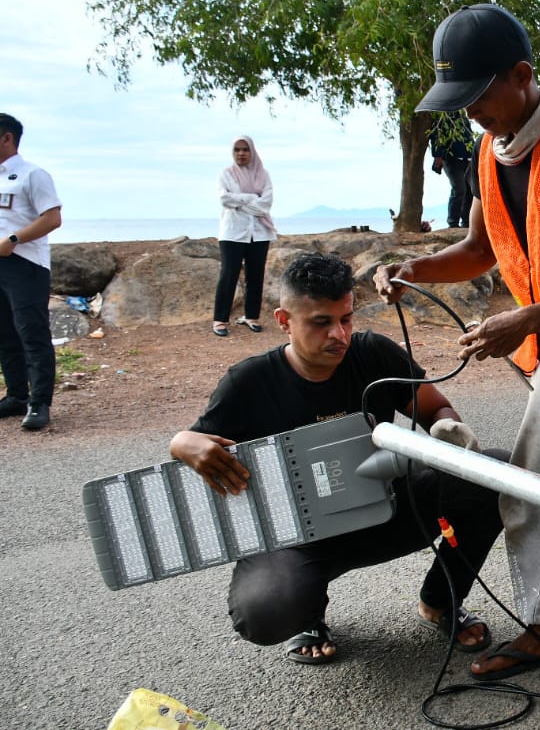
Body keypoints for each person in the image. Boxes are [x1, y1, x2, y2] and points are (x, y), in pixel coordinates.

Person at [374, 4, 540, 681]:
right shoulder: (492, 150)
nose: (472, 116)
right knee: (532, 491)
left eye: (479, 98)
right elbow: (480, 248)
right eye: (458, 103)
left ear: (521, 76)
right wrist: (413, 268)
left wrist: (523, 320)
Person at [171, 252, 505, 664]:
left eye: (345, 318)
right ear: (283, 320)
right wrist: (182, 443)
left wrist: (446, 429)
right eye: (320, 322)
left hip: (388, 513)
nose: (339, 334)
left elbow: (436, 408)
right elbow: (197, 444)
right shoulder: (248, 382)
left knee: (496, 475)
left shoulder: (373, 354)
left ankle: (440, 601)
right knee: (264, 612)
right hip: (301, 539)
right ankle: (307, 617)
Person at [0, 113, 63, 432]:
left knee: (32, 334)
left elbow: (52, 218)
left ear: (7, 138)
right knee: (5, 335)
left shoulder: (32, 175)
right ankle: (16, 397)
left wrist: (13, 240)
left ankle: (40, 403)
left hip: (26, 265)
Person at [213, 136, 277, 337]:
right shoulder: (226, 174)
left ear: (252, 152)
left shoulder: (263, 175)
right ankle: (220, 320)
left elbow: (266, 204)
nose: (241, 153)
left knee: (255, 275)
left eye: (245, 150)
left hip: (259, 233)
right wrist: (251, 198)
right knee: (228, 275)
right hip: (232, 232)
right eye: (237, 150)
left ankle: (251, 316)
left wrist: (239, 200)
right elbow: (224, 199)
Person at [429, 111, 477, 228]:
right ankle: (453, 222)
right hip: (451, 159)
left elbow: (469, 136)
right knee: (459, 189)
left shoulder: (463, 117)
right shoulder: (443, 117)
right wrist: (438, 155)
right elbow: (436, 136)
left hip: (467, 159)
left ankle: (466, 221)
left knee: (471, 190)